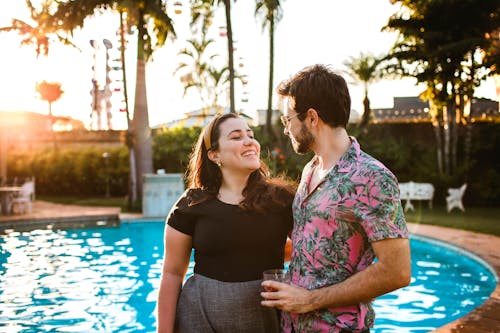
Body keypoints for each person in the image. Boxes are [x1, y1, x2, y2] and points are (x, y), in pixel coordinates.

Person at [260, 64, 411, 333]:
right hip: (292, 326)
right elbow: (314, 243)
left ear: (312, 118)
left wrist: (310, 300)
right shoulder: (310, 170)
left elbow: (397, 271)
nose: (286, 129)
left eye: (287, 120)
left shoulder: (372, 177)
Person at [156, 113, 295, 333]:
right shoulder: (190, 205)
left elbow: (310, 253)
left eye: (250, 135)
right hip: (199, 317)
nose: (250, 141)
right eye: (236, 137)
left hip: (266, 318)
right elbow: (172, 274)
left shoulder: (282, 200)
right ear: (214, 155)